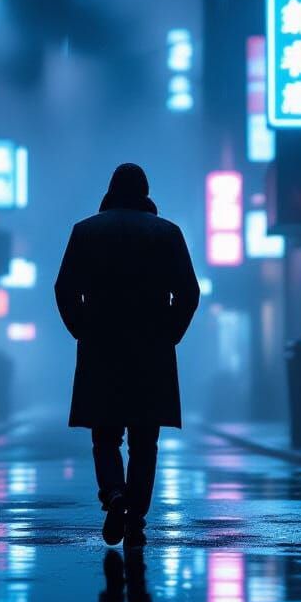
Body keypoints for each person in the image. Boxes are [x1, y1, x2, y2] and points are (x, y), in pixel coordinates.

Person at [54, 163, 199, 548]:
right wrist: (170, 332)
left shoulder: (85, 232)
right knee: (144, 438)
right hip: (151, 348)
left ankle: (113, 494)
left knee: (105, 433)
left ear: (110, 189)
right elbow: (189, 292)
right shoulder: (168, 234)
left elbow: (64, 288)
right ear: (146, 191)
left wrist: (82, 328)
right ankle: (136, 515)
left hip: (101, 345)